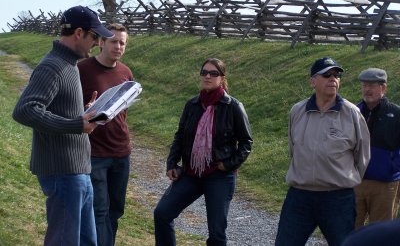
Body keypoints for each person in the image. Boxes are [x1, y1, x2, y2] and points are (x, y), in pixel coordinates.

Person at [12, 5, 114, 245]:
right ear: (79, 33)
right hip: (63, 172)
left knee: (86, 241)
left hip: (78, 170)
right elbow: (25, 110)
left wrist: (84, 113)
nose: (97, 43)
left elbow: (59, 110)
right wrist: (76, 124)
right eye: (94, 36)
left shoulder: (69, 64)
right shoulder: (53, 66)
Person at [153, 58, 253, 246]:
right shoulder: (192, 104)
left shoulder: (232, 106)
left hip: (219, 176)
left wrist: (229, 164)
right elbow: (180, 135)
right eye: (204, 72)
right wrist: (172, 163)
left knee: (216, 233)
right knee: (162, 213)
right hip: (192, 173)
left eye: (213, 73)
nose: (208, 76)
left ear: (222, 78)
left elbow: (246, 142)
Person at [275, 57, 370, 246]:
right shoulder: (298, 111)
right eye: (327, 75)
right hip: (300, 196)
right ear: (312, 81)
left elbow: (363, 156)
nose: (333, 79)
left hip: (338, 198)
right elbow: (293, 149)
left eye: (336, 75)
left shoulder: (351, 113)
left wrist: (342, 179)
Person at [78, 23, 134, 246]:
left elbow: (124, 111)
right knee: (99, 210)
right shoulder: (82, 70)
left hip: (121, 152)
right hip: (95, 152)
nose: (118, 46)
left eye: (122, 42)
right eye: (113, 41)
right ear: (101, 42)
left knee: (115, 209)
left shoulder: (126, 72)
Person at [354, 68, 400, 228]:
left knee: (380, 233)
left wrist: (392, 167)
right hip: (355, 182)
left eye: (372, 85)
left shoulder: (396, 113)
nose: (367, 89)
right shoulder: (354, 111)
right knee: (348, 230)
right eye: (364, 85)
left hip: (385, 185)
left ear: (383, 88)